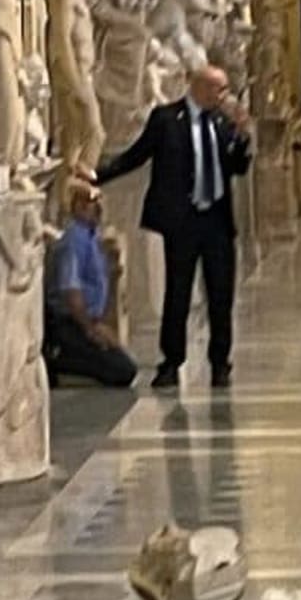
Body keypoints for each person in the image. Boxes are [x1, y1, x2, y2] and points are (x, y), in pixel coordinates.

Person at [95, 65, 252, 390]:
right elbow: (136, 156)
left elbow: (237, 167)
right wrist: (98, 175)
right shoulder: (166, 119)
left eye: (224, 89)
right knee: (177, 292)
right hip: (182, 220)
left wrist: (241, 136)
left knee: (221, 294)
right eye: (217, 89)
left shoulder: (223, 122)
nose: (224, 95)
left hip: (217, 221)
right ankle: (172, 361)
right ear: (198, 87)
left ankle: (220, 362)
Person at [44, 180, 138, 388]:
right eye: (91, 203)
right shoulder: (73, 240)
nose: (98, 208)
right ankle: (56, 362)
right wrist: (91, 329)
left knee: (124, 362)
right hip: (70, 322)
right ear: (77, 207)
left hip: (88, 319)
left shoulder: (91, 235)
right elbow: (72, 293)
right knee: (122, 370)